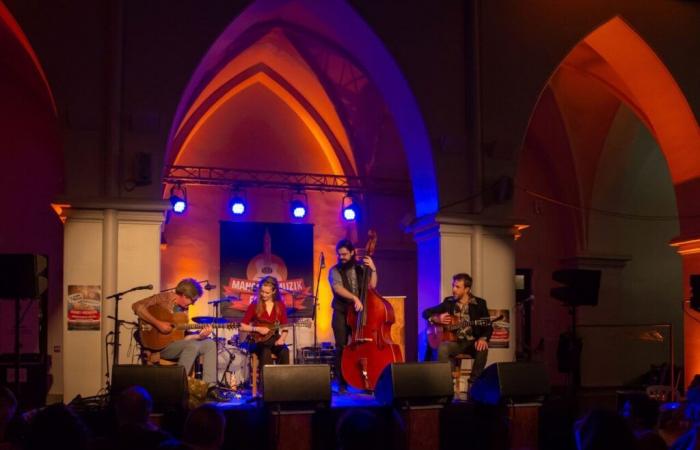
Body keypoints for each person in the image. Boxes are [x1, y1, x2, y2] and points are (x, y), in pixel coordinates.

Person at [132, 278, 217, 385]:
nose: (193, 304)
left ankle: (210, 387)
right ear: (184, 295)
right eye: (193, 300)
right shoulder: (163, 298)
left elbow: (181, 339)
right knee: (192, 346)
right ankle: (178, 386)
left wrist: (199, 336)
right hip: (158, 347)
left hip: (175, 345)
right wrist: (158, 324)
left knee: (210, 344)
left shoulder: (184, 310)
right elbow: (136, 306)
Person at [421, 273, 491, 383]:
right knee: (443, 347)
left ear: (467, 289)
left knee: (483, 348)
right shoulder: (449, 302)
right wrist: (436, 318)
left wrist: (483, 338)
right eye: (453, 285)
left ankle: (474, 382)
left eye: (457, 287)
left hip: (472, 342)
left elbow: (488, 326)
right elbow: (425, 313)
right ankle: (446, 382)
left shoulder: (480, 304)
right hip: (455, 343)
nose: (453, 289)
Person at [329, 239, 377, 392]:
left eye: (344, 254)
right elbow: (337, 288)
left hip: (358, 313)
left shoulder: (361, 268)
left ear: (352, 253)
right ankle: (342, 381)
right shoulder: (335, 270)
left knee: (361, 346)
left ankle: (362, 378)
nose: (341, 257)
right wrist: (355, 298)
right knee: (342, 346)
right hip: (341, 312)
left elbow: (372, 286)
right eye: (339, 254)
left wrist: (374, 269)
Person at [240, 276, 290, 366]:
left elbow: (285, 326)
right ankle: (267, 380)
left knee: (285, 351)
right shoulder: (255, 304)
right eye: (262, 292)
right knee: (265, 351)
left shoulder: (280, 305)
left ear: (274, 291)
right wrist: (257, 329)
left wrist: (282, 339)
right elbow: (242, 326)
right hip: (258, 341)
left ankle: (283, 379)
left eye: (267, 293)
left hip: (273, 339)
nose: (263, 295)